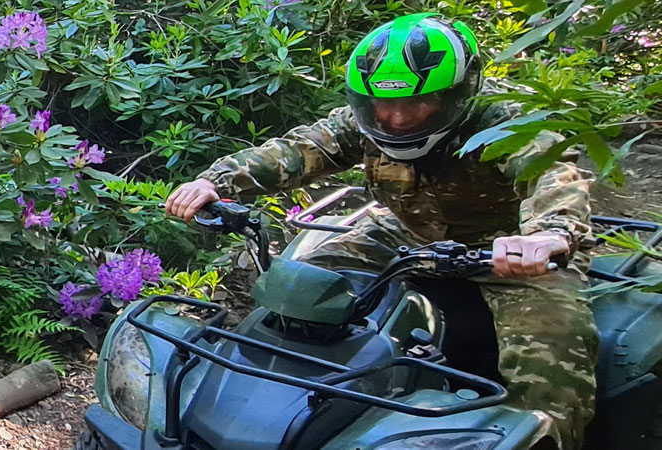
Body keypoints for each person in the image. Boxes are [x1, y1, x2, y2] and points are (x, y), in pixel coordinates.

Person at [161, 13, 596, 449]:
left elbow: (554, 173)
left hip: (509, 251)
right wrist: (215, 182)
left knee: (552, 359)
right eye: (382, 104)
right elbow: (297, 150)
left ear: (456, 94)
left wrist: (549, 234)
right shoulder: (365, 120)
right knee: (302, 296)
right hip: (403, 232)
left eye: (418, 102)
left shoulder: (507, 121)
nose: (397, 117)